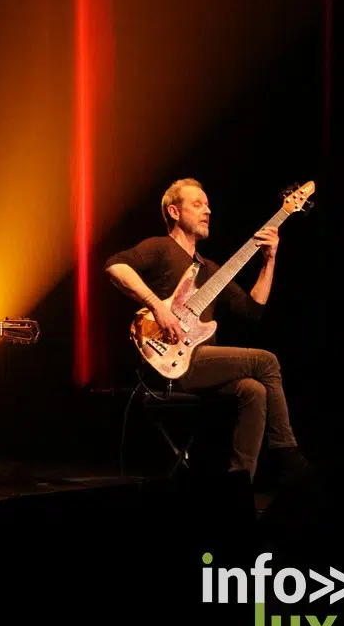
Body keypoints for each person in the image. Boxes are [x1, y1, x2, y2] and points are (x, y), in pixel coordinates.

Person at [104, 177, 310, 487]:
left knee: (254, 390)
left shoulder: (210, 268)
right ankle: (287, 454)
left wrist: (269, 260)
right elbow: (115, 266)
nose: (208, 211)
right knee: (266, 361)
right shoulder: (159, 247)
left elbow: (253, 309)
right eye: (197, 204)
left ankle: (238, 485)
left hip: (200, 366)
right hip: (166, 361)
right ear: (174, 212)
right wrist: (158, 307)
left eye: (208, 205)